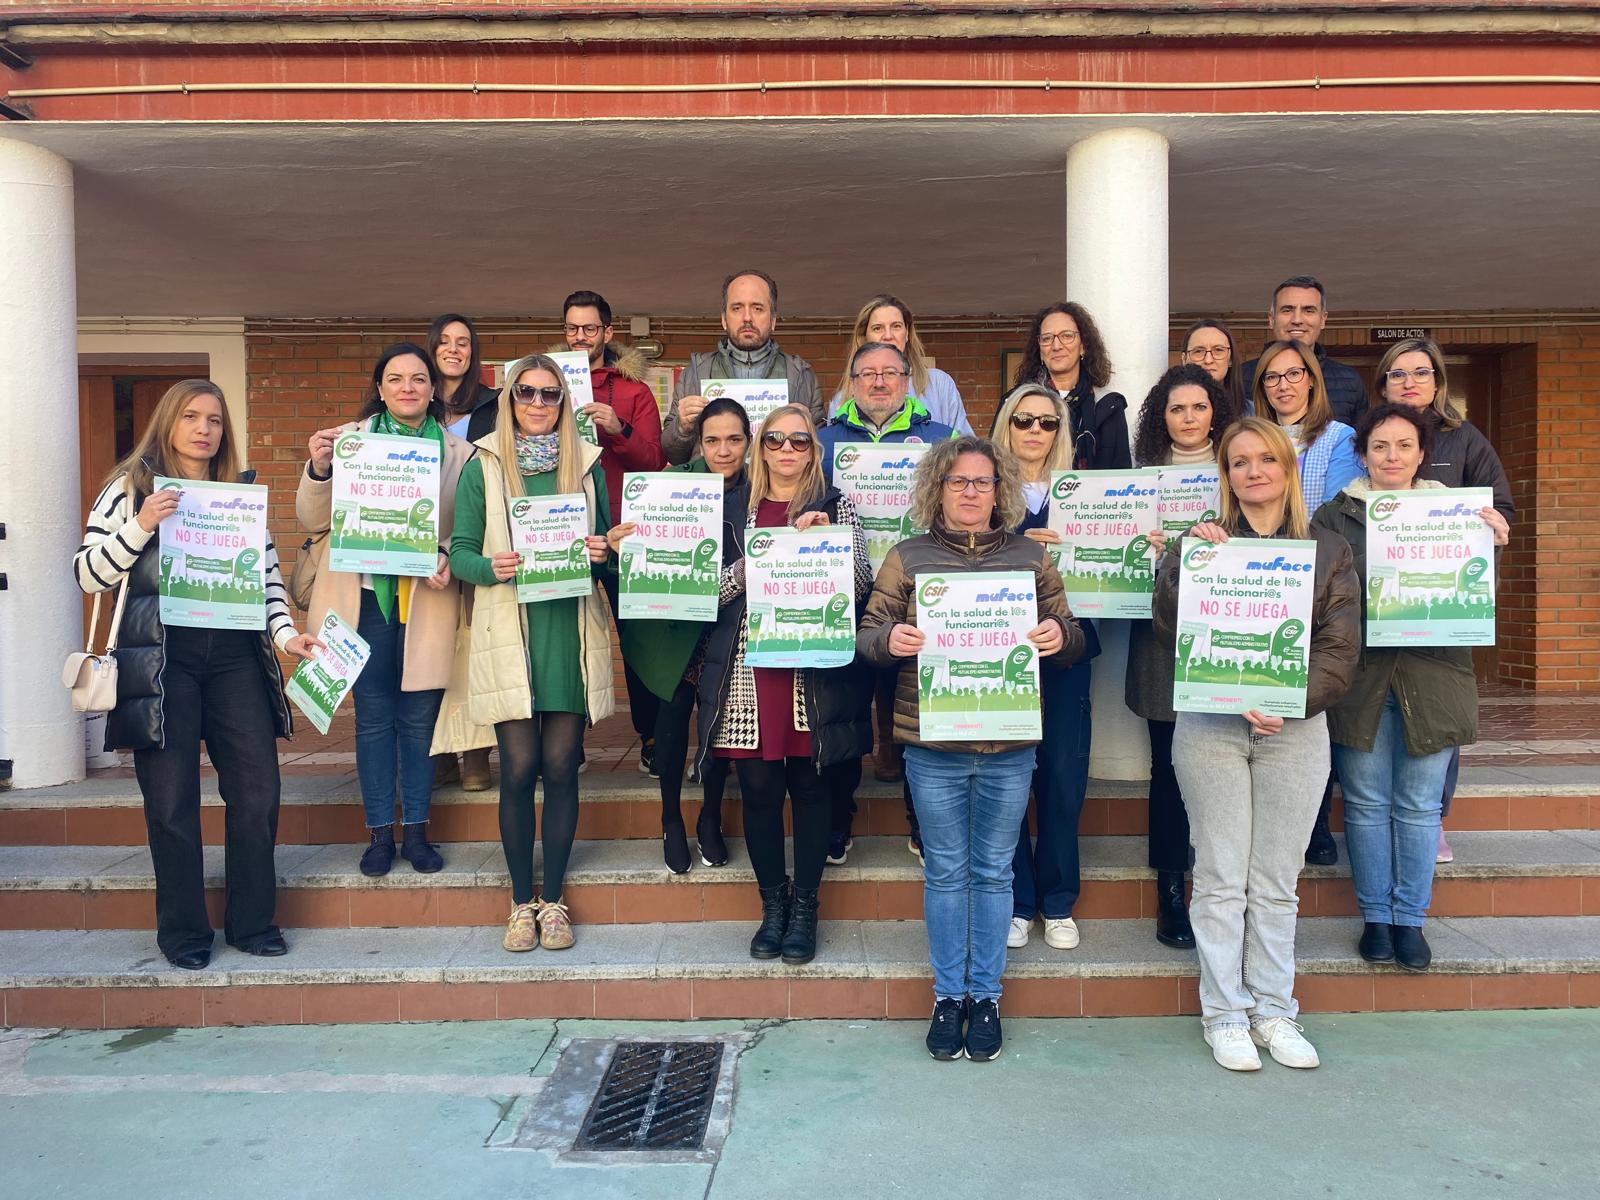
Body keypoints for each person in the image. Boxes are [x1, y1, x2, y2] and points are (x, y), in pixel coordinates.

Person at [75, 379, 323, 970]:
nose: (204, 429)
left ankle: (252, 923)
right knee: (171, 801)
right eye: (191, 416)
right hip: (163, 661)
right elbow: (89, 576)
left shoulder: (235, 494)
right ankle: (184, 934)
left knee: (258, 792)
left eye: (214, 419)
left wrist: (288, 636)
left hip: (236, 657)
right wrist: (140, 525)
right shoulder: (127, 488)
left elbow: (264, 579)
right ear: (168, 423)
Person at [860, 436, 1085, 1063]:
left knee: (991, 873)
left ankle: (984, 996)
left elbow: (1074, 635)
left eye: (980, 482)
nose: (968, 492)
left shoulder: (1029, 558)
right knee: (946, 872)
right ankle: (947, 995)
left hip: (1009, 743)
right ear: (938, 487)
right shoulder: (907, 557)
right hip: (933, 744)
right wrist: (891, 640)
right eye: (957, 481)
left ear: (999, 489)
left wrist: (1056, 634)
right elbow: (867, 633)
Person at [1155, 416, 1359, 1072]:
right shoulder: (1204, 543)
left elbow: (1339, 648)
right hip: (1213, 729)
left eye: (1264, 459)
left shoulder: (1329, 550)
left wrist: (1284, 700)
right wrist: (1186, 562)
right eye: (1238, 462)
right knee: (1219, 877)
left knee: (1274, 879)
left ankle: (1274, 1010)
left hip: (1294, 732)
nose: (1252, 472)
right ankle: (1225, 1014)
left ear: (1286, 468)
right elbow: (1169, 627)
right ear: (1227, 475)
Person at [1313, 403, 1508, 972]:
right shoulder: (1333, 515)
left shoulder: (1455, 513)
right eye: (1379, 446)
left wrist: (1489, 548)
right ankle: (1376, 918)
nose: (1391, 456)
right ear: (1363, 453)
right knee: (1368, 805)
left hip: (1435, 675)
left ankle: (1411, 920)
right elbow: (1319, 596)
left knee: (1420, 806)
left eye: (1403, 446)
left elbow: (1471, 597)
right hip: (1360, 678)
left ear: (1423, 453)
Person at [448, 354, 615, 952]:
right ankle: (521, 900)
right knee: (518, 769)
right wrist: (489, 567)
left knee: (563, 766)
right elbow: (460, 550)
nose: (538, 404)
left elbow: (610, 553)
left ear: (564, 403)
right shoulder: (484, 465)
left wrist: (602, 553)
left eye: (550, 395)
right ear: (509, 399)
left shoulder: (587, 463)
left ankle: (555, 901)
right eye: (527, 394)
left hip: (566, 633)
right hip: (507, 630)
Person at [695, 405, 873, 966]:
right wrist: (755, 564)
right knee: (760, 792)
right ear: (759, 446)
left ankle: (806, 907)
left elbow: (864, 582)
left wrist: (832, 547)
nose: (787, 449)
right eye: (776, 439)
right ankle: (772, 905)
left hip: (809, 670)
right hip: (748, 668)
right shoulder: (728, 507)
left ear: (813, 448)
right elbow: (704, 594)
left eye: (799, 440)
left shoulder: (835, 504)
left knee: (812, 788)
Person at [298, 342, 473, 877]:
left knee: (419, 721)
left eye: (418, 379)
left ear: (432, 388)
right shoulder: (350, 444)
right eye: (395, 379)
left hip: (426, 602)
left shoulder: (458, 454)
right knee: (373, 719)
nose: (407, 388)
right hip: (362, 600)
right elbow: (310, 520)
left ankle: (417, 832)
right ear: (379, 389)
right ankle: (378, 834)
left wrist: (445, 555)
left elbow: (461, 529)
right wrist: (319, 469)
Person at [1372, 337, 1514, 864]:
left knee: (1438, 715)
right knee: (1374, 711)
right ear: (1382, 384)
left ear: (1438, 382)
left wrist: (1498, 527)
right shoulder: (1369, 439)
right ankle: (1380, 816)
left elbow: (1500, 504)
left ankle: (1432, 817)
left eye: (1421, 372)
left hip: (1442, 603)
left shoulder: (1466, 439)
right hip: (1382, 601)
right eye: (1398, 373)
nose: (1410, 382)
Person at [819, 340, 957, 820]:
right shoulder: (823, 441)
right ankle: (841, 819)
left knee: (918, 712)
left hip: (919, 591)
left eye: (890, 373)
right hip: (846, 588)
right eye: (867, 374)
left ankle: (920, 821)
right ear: (852, 384)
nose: (879, 382)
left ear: (906, 380)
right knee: (843, 709)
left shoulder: (941, 440)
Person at [610, 396, 748, 873]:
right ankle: (671, 818)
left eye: (734, 440)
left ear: (748, 443)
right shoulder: (667, 486)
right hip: (674, 627)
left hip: (730, 628)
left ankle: (711, 814)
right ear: (698, 442)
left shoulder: (761, 489)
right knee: (670, 727)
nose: (723, 450)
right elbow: (630, 551)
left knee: (717, 729)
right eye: (712, 440)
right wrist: (618, 545)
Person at [1127, 364, 1239, 948]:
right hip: (1161, 636)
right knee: (1168, 767)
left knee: (1224, 767)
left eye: (1198, 407)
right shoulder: (1140, 478)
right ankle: (1171, 889)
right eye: (1176, 409)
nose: (1189, 419)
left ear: (1216, 410)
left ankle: (1224, 888)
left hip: (1229, 631)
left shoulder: (1239, 468)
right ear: (1160, 417)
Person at [990, 382, 1101, 952]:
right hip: (996, 650)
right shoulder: (984, 490)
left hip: (1063, 652)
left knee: (1061, 778)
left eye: (1047, 423)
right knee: (1008, 778)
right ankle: (1017, 898)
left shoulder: (1087, 492)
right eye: (1023, 421)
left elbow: (1111, 572)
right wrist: (1014, 544)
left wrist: (1141, 546)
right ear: (1006, 426)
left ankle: (1058, 901)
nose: (1035, 432)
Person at [1251, 338, 1360, 866]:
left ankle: (1314, 819)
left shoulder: (1339, 438)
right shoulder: (1249, 435)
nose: (1284, 384)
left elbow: (1333, 509)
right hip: (1254, 578)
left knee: (1311, 691)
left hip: (1313, 576)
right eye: (1272, 377)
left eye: (1294, 374)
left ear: (1312, 381)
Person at [560, 289, 667, 776]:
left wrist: (618, 426)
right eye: (572, 328)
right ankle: (567, 740)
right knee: (566, 635)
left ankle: (650, 736)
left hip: (626, 533)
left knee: (637, 637)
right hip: (565, 530)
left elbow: (653, 460)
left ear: (608, 332)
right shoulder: (546, 384)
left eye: (589, 328)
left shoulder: (633, 391)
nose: (580, 337)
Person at [427, 312, 497, 792]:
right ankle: (437, 753)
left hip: (474, 537)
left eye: (464, 343)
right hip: (417, 549)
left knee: (472, 650)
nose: (455, 349)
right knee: (431, 652)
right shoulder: (406, 405)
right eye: (445, 342)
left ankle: (474, 753)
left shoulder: (493, 406)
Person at [660, 270, 824, 464]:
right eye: (737, 308)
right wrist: (682, 428)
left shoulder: (801, 375)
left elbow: (821, 455)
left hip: (777, 492)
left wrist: (808, 431)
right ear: (723, 319)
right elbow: (672, 454)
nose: (747, 317)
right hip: (717, 491)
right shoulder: (695, 373)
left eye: (757, 308)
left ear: (773, 320)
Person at [827, 293, 973, 435]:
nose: (888, 336)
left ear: (907, 333)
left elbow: (964, 448)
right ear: (864, 337)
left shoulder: (939, 384)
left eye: (896, 326)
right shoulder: (841, 400)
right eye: (878, 328)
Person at [1009, 302, 1130, 471]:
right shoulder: (1014, 403)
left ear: (1083, 346)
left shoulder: (1108, 407)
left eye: (1066, 336)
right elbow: (998, 461)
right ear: (1040, 350)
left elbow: (1121, 475)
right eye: (1047, 338)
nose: (1056, 346)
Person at [1241, 276, 1366, 426]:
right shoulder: (1241, 378)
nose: (1297, 320)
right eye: (1287, 310)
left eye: (1308, 310)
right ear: (1272, 319)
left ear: (1323, 319)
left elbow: (1362, 445)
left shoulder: (1349, 381)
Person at [1181, 318, 1248, 417]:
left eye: (1218, 350)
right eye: (1198, 351)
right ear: (1184, 359)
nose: (1208, 360)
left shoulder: (1253, 414)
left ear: (1230, 359)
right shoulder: (1166, 411)